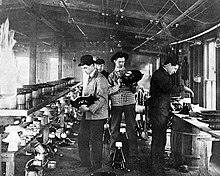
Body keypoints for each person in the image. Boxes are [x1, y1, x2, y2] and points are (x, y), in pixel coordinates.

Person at [148, 56, 194, 175]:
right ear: (168, 65)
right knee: (158, 140)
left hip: (161, 110)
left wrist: (170, 105)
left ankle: (159, 165)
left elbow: (164, 94)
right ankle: (155, 169)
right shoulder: (159, 75)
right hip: (158, 112)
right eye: (174, 68)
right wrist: (184, 88)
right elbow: (168, 88)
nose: (174, 71)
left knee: (161, 140)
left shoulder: (163, 74)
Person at [77, 55, 109, 172]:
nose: (84, 70)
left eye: (86, 68)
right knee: (82, 137)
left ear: (92, 66)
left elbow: (102, 99)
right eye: (83, 68)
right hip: (87, 114)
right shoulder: (89, 78)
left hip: (97, 115)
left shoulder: (100, 78)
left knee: (96, 140)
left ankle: (96, 165)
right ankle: (85, 162)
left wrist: (89, 108)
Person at [108, 51, 140, 166]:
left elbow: (135, 90)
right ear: (114, 62)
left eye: (123, 62)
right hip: (116, 104)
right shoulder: (111, 76)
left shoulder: (130, 73)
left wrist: (133, 84)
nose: (121, 64)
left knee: (131, 128)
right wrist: (118, 85)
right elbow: (108, 91)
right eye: (119, 61)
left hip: (129, 102)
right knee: (114, 128)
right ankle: (113, 153)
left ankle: (133, 154)